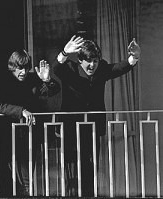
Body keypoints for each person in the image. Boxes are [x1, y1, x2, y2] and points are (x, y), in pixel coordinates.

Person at [53, 35, 141, 196]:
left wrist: (134, 56)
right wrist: (65, 52)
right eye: (89, 61)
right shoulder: (71, 68)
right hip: (71, 128)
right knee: (71, 169)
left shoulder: (102, 68)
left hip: (92, 128)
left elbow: (120, 67)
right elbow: (56, 68)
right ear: (80, 60)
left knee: (90, 167)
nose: (92, 65)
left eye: (95, 61)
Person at [0, 50, 60, 195]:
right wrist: (21, 110)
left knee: (26, 180)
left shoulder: (33, 79)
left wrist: (47, 80)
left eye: (25, 68)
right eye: (19, 68)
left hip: (30, 136)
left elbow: (54, 90)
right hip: (8, 136)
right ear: (12, 66)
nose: (22, 71)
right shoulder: (3, 81)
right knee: (11, 179)